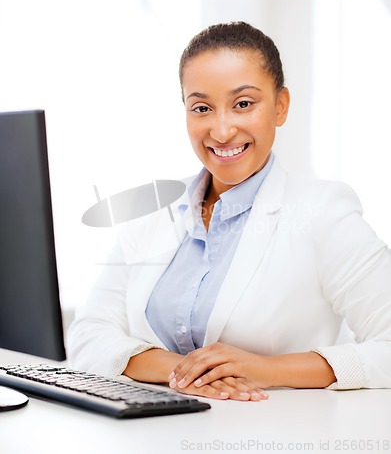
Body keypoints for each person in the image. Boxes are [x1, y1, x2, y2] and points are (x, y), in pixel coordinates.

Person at [68, 21, 391, 402]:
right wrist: (183, 370)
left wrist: (264, 370)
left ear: (281, 106)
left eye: (243, 104)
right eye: (202, 107)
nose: (221, 131)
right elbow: (88, 332)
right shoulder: (153, 214)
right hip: (154, 433)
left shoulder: (323, 212)